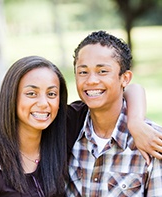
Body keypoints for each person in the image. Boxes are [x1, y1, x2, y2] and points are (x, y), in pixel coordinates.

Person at [66, 30, 162, 196]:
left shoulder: (152, 141)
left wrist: (136, 122)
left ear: (125, 78)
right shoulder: (69, 130)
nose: (91, 80)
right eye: (83, 72)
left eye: (102, 71)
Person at [0, 56, 68, 197]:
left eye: (51, 94)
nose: (44, 103)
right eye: (31, 94)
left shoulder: (61, 144)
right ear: (11, 96)